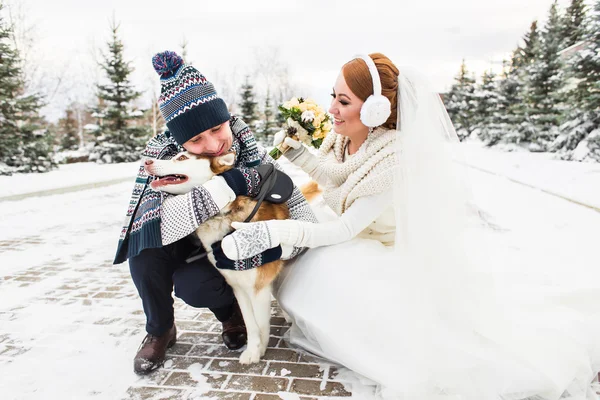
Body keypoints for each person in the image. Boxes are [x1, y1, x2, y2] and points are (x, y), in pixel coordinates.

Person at [220, 53, 600, 399]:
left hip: (383, 249)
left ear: (375, 110)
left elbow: (343, 230)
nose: (331, 108)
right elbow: (332, 176)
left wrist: (271, 232)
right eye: (332, 95)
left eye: (344, 101)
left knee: (336, 284)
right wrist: (298, 153)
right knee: (305, 266)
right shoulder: (343, 140)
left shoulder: (394, 159)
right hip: (352, 235)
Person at [113, 51, 317, 375]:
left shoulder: (252, 152)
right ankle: (160, 329)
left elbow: (307, 223)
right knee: (144, 251)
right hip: (179, 244)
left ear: (227, 119)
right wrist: (227, 184)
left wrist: (273, 246)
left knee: (196, 286)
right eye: (195, 140)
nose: (212, 145)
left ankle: (231, 314)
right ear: (180, 142)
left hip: (224, 252)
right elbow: (160, 226)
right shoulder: (162, 157)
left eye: (217, 129)